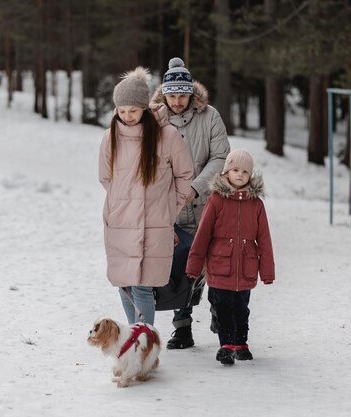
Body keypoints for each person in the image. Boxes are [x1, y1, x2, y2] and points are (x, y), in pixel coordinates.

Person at [98, 66, 194, 326]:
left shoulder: (167, 136)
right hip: (121, 222)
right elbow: (106, 177)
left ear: (144, 108)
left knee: (142, 286)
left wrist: (169, 207)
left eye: (133, 110)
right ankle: (135, 342)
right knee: (125, 284)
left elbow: (185, 175)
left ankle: (144, 342)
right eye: (122, 111)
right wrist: (123, 203)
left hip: (155, 222)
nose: (127, 116)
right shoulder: (110, 138)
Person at [151, 57, 230, 349]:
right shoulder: (155, 120)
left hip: (208, 203)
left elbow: (221, 156)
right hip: (171, 205)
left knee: (214, 264)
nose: (178, 101)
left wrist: (197, 187)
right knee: (180, 267)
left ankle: (218, 310)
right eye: (172, 95)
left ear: (191, 94)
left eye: (183, 95)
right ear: (164, 94)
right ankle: (182, 327)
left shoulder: (210, 116)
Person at [186, 149, 275, 365]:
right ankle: (226, 344)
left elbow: (264, 239)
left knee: (241, 308)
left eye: (245, 171)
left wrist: (267, 271)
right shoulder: (216, 201)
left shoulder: (256, 205)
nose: (240, 175)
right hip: (219, 265)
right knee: (223, 307)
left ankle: (241, 343)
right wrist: (194, 265)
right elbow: (203, 234)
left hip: (246, 267)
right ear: (226, 172)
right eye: (235, 169)